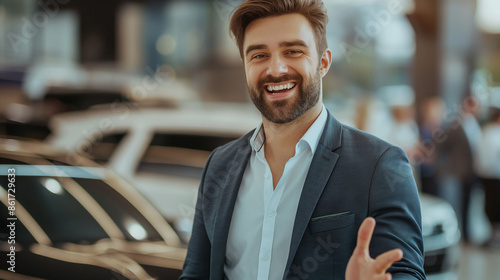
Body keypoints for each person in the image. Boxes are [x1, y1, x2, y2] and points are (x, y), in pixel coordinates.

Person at [180, 1, 425, 279]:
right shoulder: (219, 166)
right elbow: (195, 274)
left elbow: (405, 273)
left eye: (293, 51)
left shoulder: (379, 166)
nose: (276, 69)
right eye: (259, 55)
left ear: (323, 62)